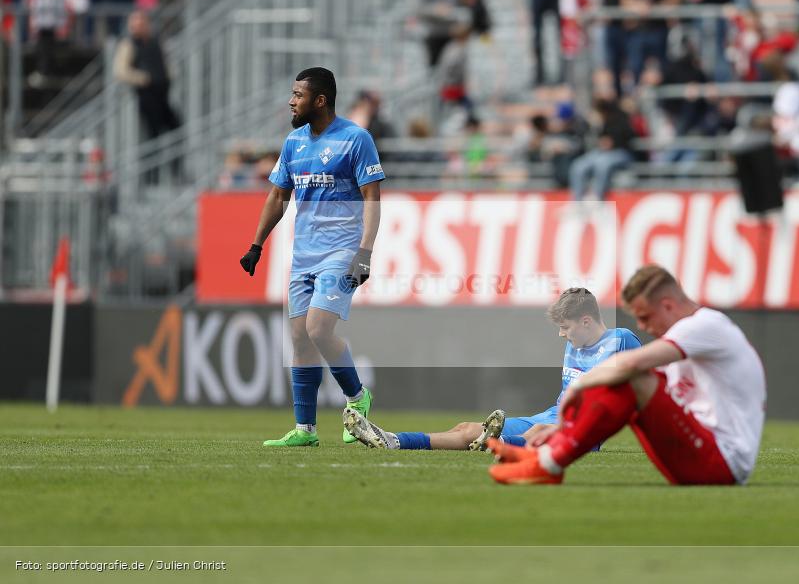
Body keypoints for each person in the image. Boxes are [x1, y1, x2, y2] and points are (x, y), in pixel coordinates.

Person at [488, 265, 766, 486]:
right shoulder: (688, 338)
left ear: (668, 305)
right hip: (699, 455)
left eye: (645, 317)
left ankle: (547, 464)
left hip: (721, 464)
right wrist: (565, 428)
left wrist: (575, 393)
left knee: (631, 375)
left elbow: (629, 367)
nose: (642, 326)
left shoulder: (705, 326)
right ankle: (546, 458)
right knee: (629, 380)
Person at [239, 67, 385, 448]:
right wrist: (257, 245)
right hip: (303, 253)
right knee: (300, 339)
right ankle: (305, 431)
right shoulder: (294, 143)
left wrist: (365, 252)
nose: (291, 101)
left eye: (298, 95)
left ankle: (357, 397)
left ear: (319, 100)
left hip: (341, 251)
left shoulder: (356, 139)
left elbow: (372, 198)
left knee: (319, 329)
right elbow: (277, 196)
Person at [342, 288, 641, 451]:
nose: (562, 335)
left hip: (581, 429)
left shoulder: (622, 341)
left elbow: (644, 389)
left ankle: (495, 442)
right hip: (552, 416)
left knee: (531, 432)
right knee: (466, 428)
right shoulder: (575, 343)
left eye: (565, 327)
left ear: (586, 321)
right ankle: (393, 440)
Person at [113, 10, 180, 139]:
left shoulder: (155, 41)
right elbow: (120, 71)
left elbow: (165, 61)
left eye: (141, 23)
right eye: (135, 24)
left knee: (175, 127)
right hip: (147, 95)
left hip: (162, 93)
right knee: (152, 132)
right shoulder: (128, 44)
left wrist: (169, 74)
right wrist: (143, 78)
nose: (138, 27)